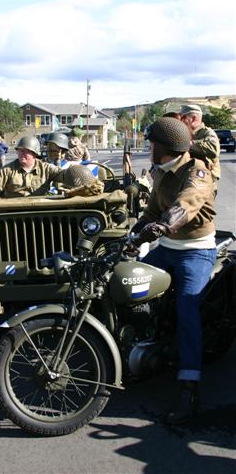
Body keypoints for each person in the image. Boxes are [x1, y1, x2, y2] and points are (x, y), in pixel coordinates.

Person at [131, 117, 216, 424]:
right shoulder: (162, 173)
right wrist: (132, 236)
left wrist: (164, 225)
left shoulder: (198, 172)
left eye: (152, 143)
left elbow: (186, 203)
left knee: (187, 310)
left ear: (166, 147)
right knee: (132, 281)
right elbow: (152, 210)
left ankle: (189, 388)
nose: (149, 147)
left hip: (196, 252)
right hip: (167, 250)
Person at [0, 135, 103, 199]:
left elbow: (64, 175)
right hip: (13, 211)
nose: (21, 154)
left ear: (34, 154)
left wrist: (80, 175)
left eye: (26, 151)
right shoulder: (8, 170)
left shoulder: (46, 168)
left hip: (39, 210)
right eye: (19, 151)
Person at [179, 104, 220, 190]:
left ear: (193, 119)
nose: (180, 121)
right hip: (186, 179)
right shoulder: (185, 133)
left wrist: (188, 144)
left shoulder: (207, 133)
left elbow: (213, 149)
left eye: (183, 118)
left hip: (204, 182)